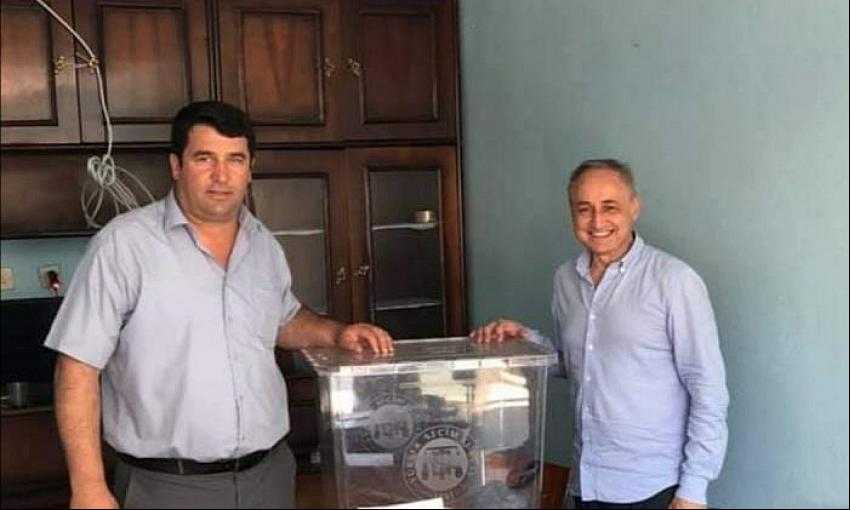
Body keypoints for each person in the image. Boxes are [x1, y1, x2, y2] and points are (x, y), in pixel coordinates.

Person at [44, 101, 393, 509]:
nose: (221, 176)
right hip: (167, 487)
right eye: (204, 158)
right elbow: (77, 367)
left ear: (250, 168)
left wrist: (336, 333)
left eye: (235, 159)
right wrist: (88, 486)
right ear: (177, 165)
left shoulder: (262, 244)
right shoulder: (124, 246)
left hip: (268, 477)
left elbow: (282, 320)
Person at [471, 159, 728, 509]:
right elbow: (577, 364)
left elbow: (707, 389)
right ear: (572, 214)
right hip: (586, 481)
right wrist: (523, 341)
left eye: (610, 207)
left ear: (634, 207)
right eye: (584, 209)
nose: (597, 221)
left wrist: (693, 490)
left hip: (654, 487)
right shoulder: (565, 279)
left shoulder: (674, 281)